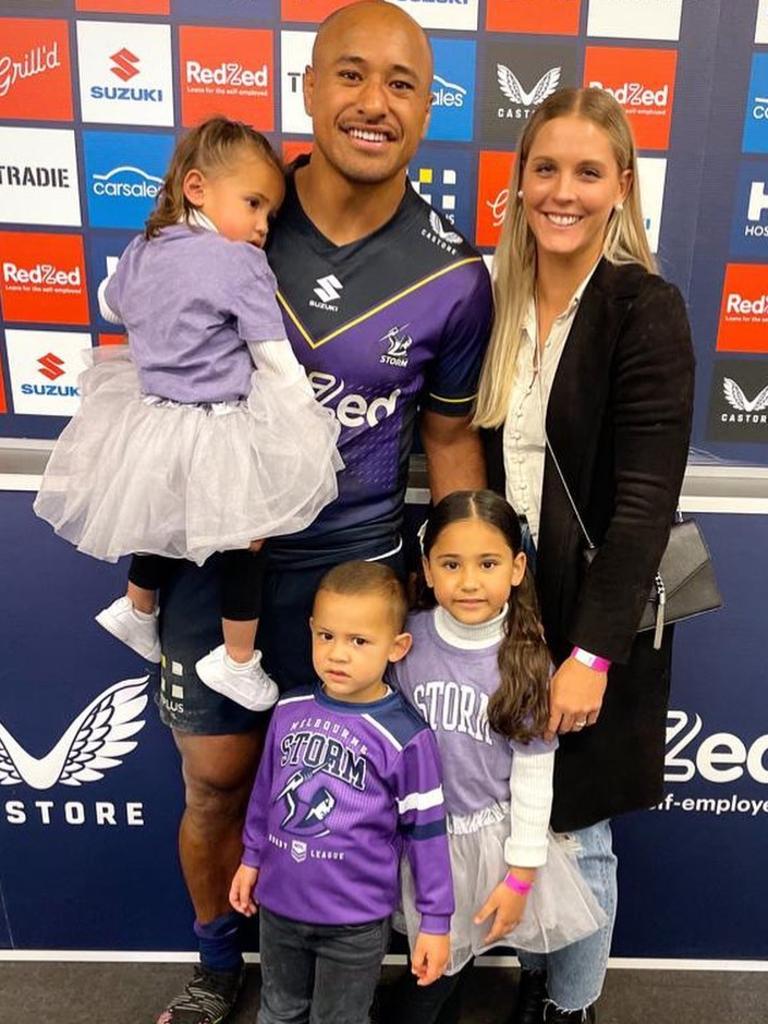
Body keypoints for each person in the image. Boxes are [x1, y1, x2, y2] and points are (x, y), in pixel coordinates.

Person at [152, 5, 491, 1022]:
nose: (373, 103)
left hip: (358, 569)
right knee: (216, 784)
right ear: (307, 85)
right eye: (351, 74)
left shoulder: (453, 273)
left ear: (430, 108)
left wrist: (475, 583)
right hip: (217, 553)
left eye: (401, 83)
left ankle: (333, 982)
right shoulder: (230, 215)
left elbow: (448, 440)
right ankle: (219, 969)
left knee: (349, 799)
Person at [476, 87, 695, 1023]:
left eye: (587, 172)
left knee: (580, 823)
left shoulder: (644, 306)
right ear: (521, 181)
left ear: (620, 187)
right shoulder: (497, 296)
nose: (562, 191)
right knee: (515, 809)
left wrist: (592, 653)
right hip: (507, 600)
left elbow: (645, 507)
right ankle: (535, 979)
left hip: (595, 613)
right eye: (545, 168)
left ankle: (573, 1007)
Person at [33, 117, 342, 712]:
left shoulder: (142, 249)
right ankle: (236, 661)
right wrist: (304, 413)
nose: (259, 227)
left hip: (151, 421)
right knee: (246, 542)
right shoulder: (240, 264)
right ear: (197, 188)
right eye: (253, 205)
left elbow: (109, 301)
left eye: (269, 216)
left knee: (161, 518)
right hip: (218, 424)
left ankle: (137, 607)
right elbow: (271, 350)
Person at [388, 490, 606, 1024]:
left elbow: (534, 774)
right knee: (429, 959)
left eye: (487, 564)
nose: (467, 582)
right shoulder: (408, 643)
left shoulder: (525, 657)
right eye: (451, 564)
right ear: (427, 569)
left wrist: (521, 875)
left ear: (516, 567)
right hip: (415, 838)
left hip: (483, 843)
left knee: (442, 964)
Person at [229, 561, 453, 1023]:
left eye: (359, 641)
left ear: (397, 647)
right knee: (278, 1010)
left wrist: (435, 922)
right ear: (310, 630)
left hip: (354, 921)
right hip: (279, 907)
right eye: (326, 636)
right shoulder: (289, 709)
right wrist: (251, 858)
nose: (338, 654)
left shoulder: (405, 737)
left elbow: (427, 836)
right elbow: (266, 794)